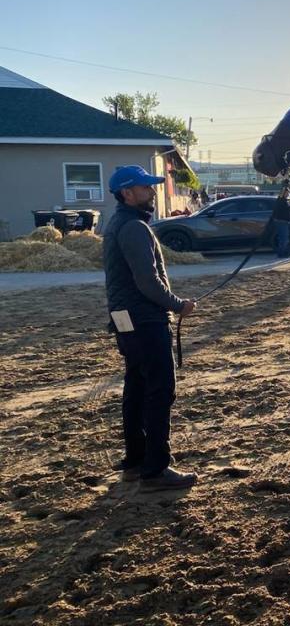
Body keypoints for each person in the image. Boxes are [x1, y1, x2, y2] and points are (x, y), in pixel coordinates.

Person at [102, 165, 198, 492]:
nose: (151, 192)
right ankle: (155, 470)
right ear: (127, 194)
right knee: (159, 391)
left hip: (126, 321)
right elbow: (148, 281)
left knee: (137, 388)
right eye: (144, 187)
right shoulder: (132, 228)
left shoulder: (120, 224)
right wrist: (177, 304)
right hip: (144, 321)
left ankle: (135, 462)